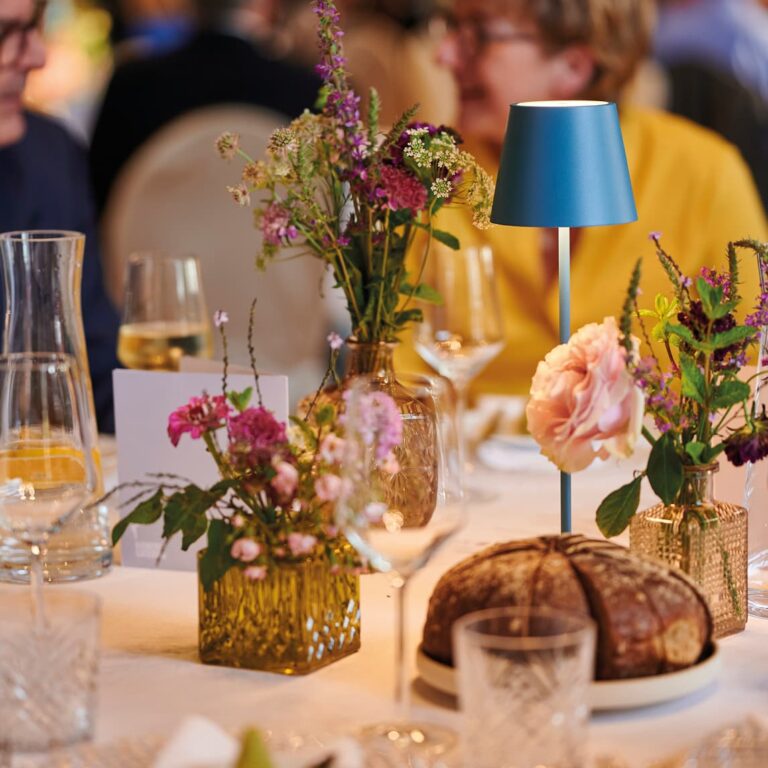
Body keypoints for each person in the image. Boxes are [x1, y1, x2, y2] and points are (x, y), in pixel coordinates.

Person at [398, 0, 768, 396]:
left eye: (478, 35)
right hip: (471, 455)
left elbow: (756, 369)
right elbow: (396, 381)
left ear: (573, 65)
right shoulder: (431, 177)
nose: (444, 55)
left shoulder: (703, 174)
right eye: (449, 27)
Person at [0, 0, 120, 432]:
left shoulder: (50, 158)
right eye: (7, 34)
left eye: (34, 28)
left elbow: (96, 362)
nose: (37, 56)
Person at [89, 0, 321, 218]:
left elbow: (97, 199)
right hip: (283, 259)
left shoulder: (132, 87)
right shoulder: (304, 90)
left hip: (155, 256)